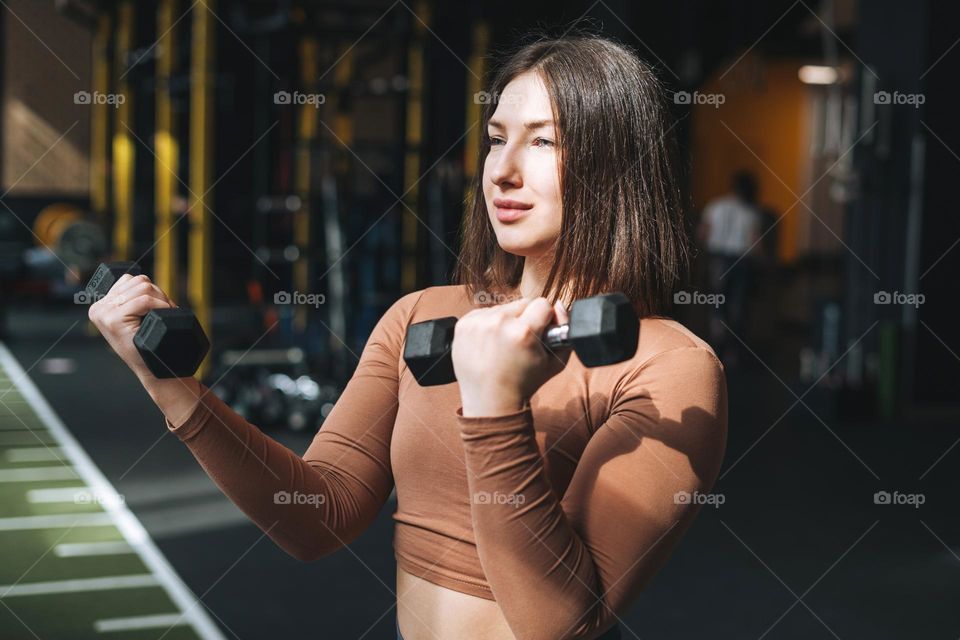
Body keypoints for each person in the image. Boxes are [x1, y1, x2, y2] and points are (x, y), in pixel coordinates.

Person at [89, 34, 727, 640]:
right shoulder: (420, 314)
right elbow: (318, 515)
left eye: (544, 143)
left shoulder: (669, 367)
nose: (501, 171)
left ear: (618, 168)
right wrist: (174, 388)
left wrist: (495, 407)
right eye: (496, 138)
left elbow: (559, 624)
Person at [697, 170, 763, 368]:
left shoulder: (715, 206)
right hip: (741, 261)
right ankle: (733, 352)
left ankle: (715, 348)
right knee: (737, 305)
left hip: (717, 258)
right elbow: (755, 243)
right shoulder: (751, 212)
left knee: (717, 303)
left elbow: (703, 233)